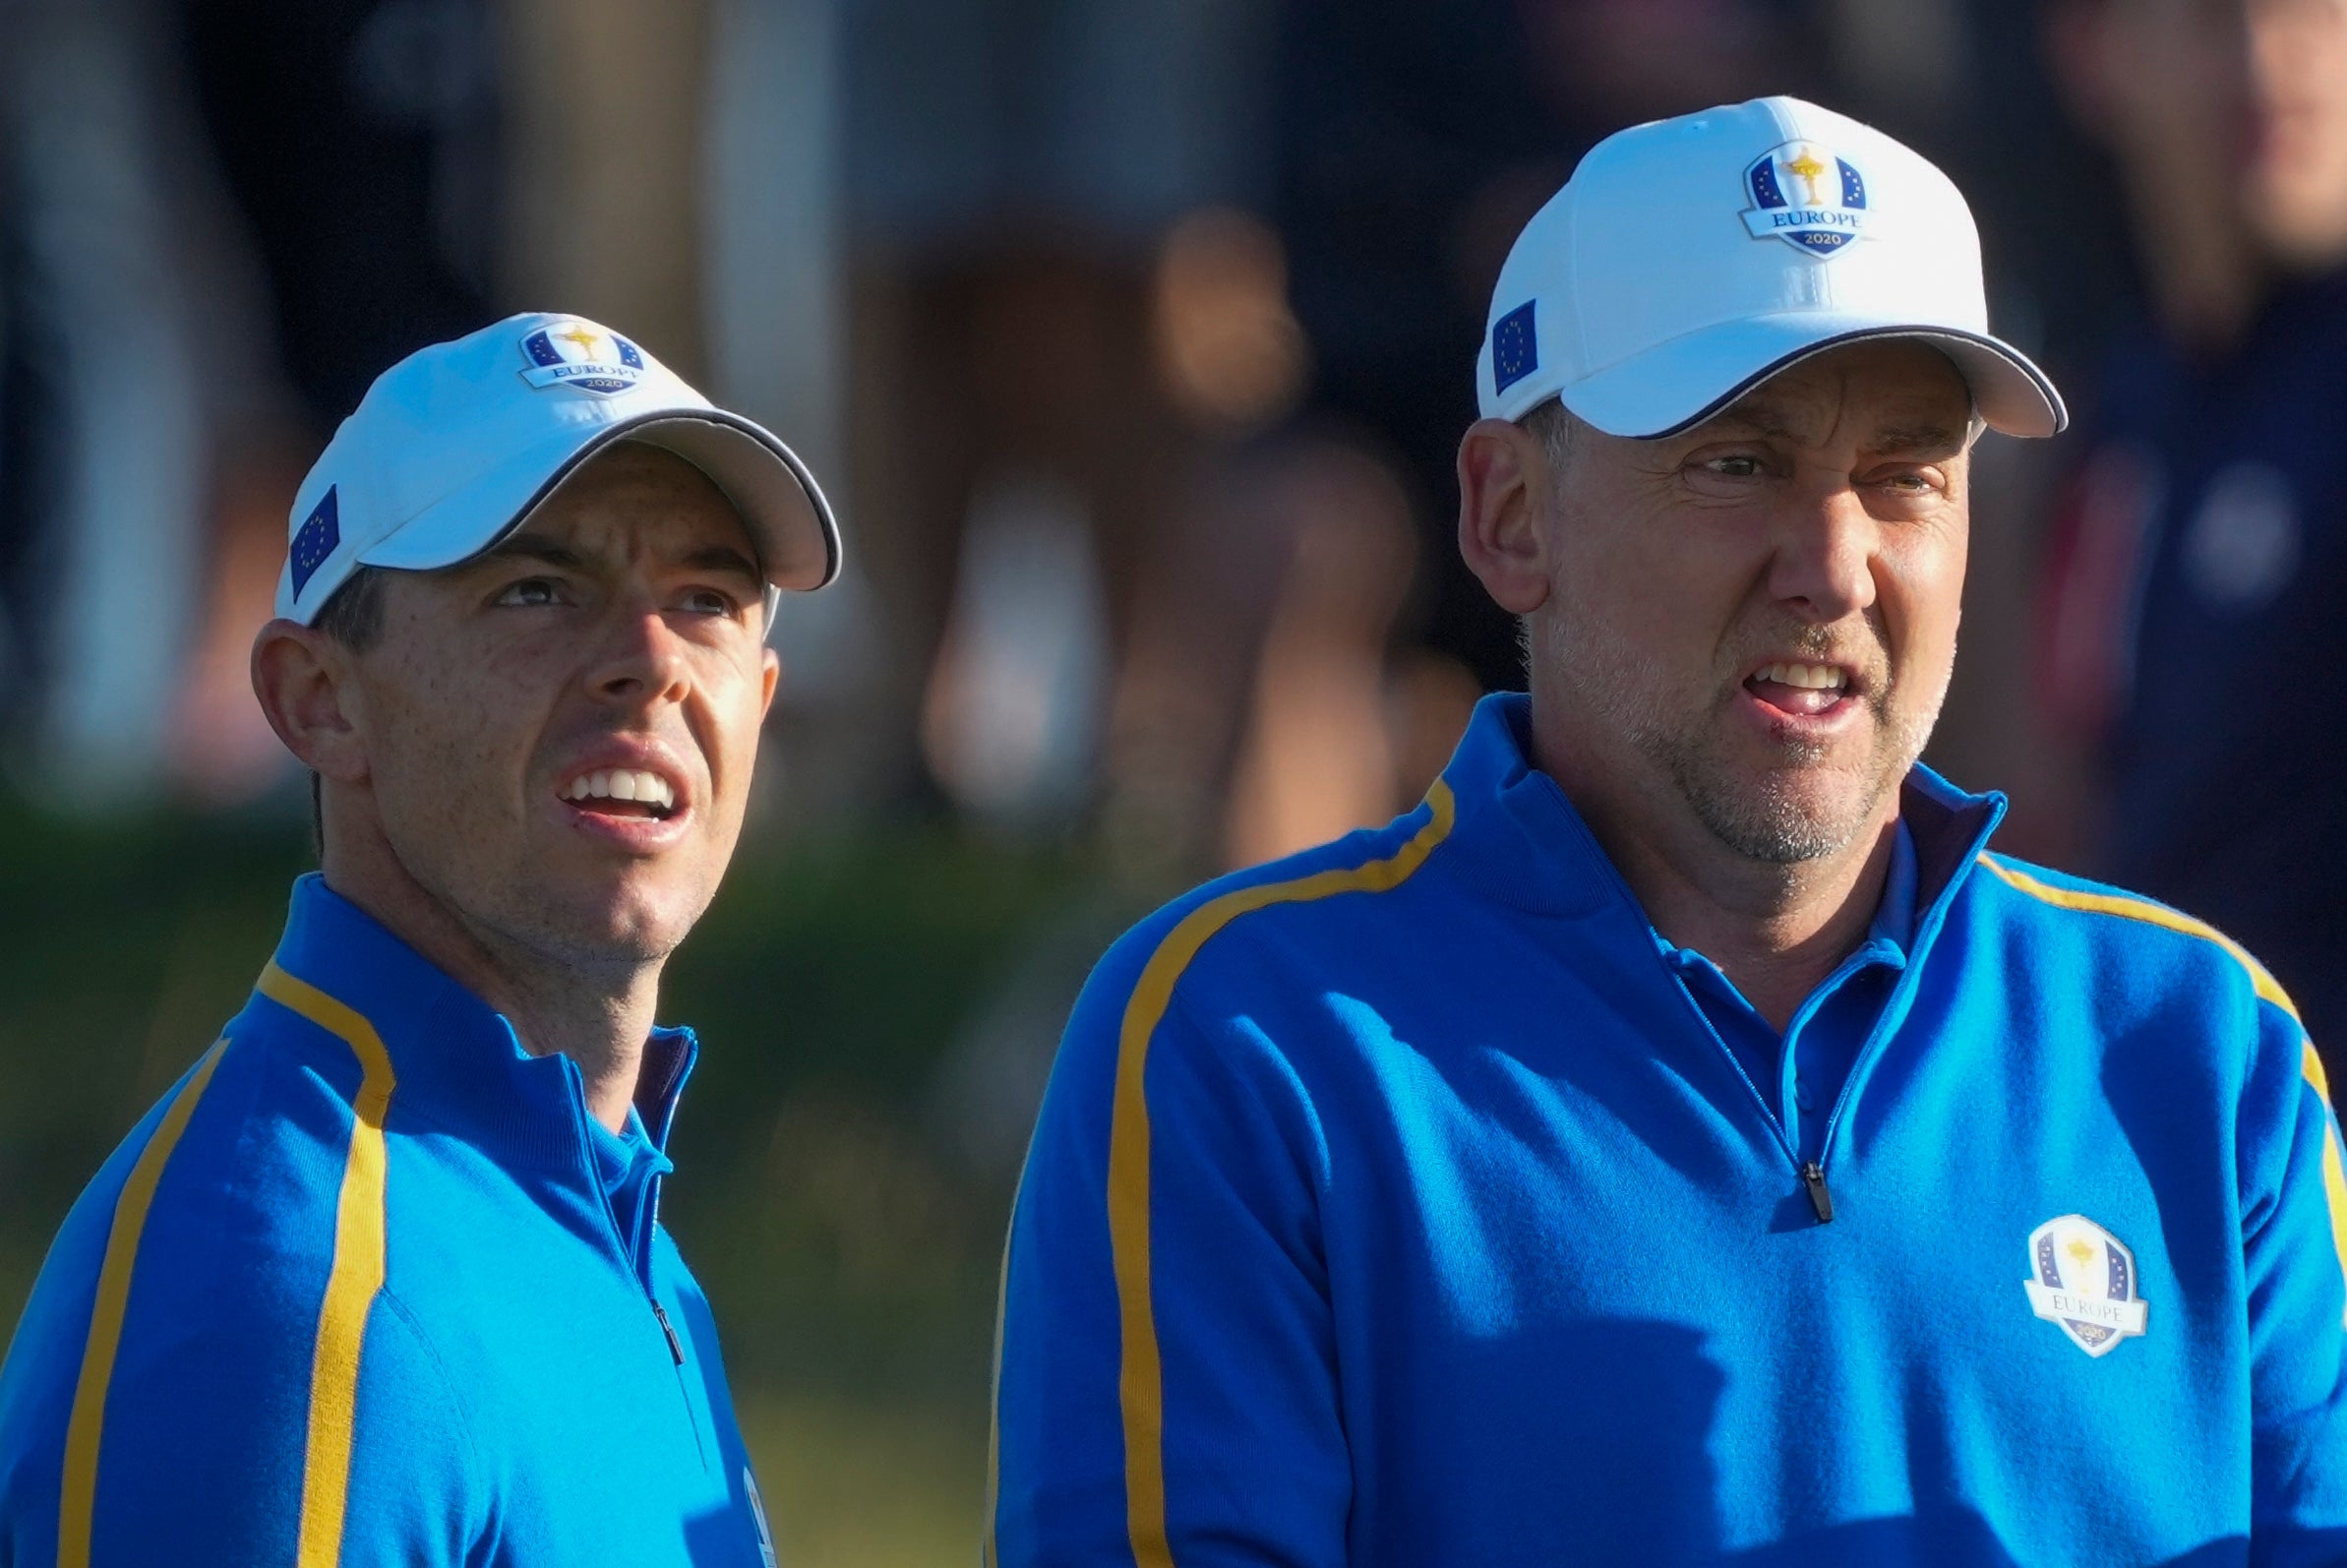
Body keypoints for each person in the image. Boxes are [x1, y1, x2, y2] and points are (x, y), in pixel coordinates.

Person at [987, 97, 2347, 1564]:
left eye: (1903, 475)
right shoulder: (1246, 1040)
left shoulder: (2199, 1044)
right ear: (1510, 512)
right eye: (1734, 461)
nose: (1831, 565)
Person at [0, 312, 839, 1563]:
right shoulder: (296, 1300)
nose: (651, 665)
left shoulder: (585, 1202)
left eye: (706, 599)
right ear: (319, 698)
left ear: (759, 702)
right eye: (538, 590)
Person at [2034, 0, 2347, 1061]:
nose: (2270, 60)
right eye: (2216, 17)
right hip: (2186, 1165)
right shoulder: (2114, 413)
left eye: (2316, 12)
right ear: (2089, 49)